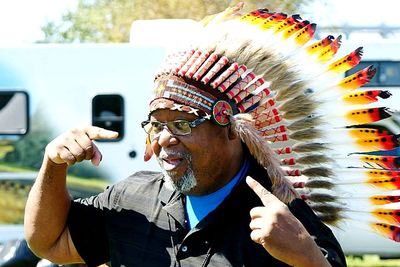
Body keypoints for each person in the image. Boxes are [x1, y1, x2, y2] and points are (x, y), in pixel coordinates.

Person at [24, 3, 350, 267]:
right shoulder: (133, 198)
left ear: (231, 130)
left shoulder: (284, 223)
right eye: (156, 124)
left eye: (182, 124)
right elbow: (51, 243)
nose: (164, 138)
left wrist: (306, 259)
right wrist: (53, 165)